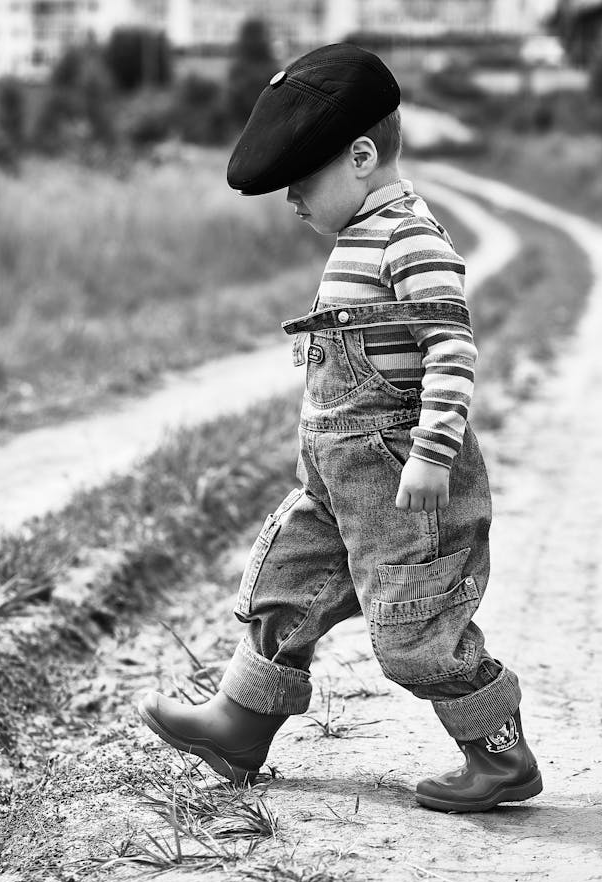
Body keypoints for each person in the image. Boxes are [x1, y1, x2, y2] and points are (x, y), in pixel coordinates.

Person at [138, 43, 542, 812]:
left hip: (401, 486)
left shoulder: (410, 238)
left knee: (413, 633)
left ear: (362, 156)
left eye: (302, 178)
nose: (292, 198)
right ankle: (238, 723)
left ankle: (499, 752)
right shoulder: (360, 234)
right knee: (282, 585)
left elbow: (452, 349)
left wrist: (432, 452)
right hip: (333, 481)